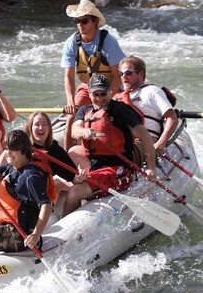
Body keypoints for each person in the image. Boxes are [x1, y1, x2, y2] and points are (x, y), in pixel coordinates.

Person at [64, 74, 157, 215]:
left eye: (103, 94)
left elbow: (145, 137)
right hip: (96, 163)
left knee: (73, 193)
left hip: (118, 168)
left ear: (110, 92)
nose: (100, 99)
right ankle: (91, 180)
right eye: (96, 94)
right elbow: (74, 131)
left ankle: (75, 206)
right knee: (73, 151)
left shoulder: (121, 110)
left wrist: (151, 168)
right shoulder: (85, 110)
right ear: (89, 94)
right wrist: (83, 131)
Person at [61, 0, 127, 117]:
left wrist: (106, 99)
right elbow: (68, 76)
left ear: (95, 21)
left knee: (111, 115)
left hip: (111, 88)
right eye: (77, 21)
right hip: (89, 88)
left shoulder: (109, 41)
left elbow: (118, 76)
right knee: (72, 116)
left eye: (84, 21)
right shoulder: (71, 42)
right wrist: (70, 102)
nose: (80, 25)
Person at [115, 55, 180, 153]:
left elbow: (172, 118)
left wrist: (160, 144)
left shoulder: (152, 91)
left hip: (144, 142)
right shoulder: (117, 97)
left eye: (128, 73)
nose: (124, 77)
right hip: (121, 140)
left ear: (141, 74)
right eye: (121, 73)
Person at [22, 111, 80, 205]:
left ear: (49, 127)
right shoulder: (22, 148)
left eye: (45, 124)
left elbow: (72, 176)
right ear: (30, 127)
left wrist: (79, 178)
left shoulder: (55, 150)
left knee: (58, 183)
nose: (41, 128)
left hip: (44, 196)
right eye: (37, 124)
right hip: (25, 194)